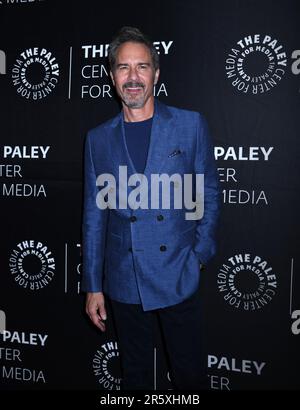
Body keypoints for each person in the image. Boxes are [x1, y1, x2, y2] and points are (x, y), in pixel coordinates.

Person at [82, 26, 220, 390]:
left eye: (142, 67)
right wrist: (94, 285)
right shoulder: (97, 139)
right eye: (123, 68)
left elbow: (206, 192)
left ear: (156, 74)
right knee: (136, 376)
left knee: (190, 377)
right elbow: (95, 216)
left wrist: (199, 255)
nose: (133, 78)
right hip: (125, 275)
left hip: (178, 273)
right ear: (112, 76)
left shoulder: (190, 126)